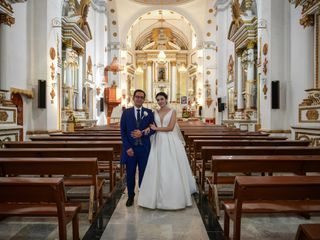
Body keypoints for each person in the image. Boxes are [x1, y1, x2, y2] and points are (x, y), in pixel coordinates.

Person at [138, 92, 197, 210]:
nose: (160, 101)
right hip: (157, 141)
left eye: (162, 99)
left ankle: (173, 197)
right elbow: (150, 126)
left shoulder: (173, 111)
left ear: (166, 99)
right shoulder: (154, 112)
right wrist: (145, 130)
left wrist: (156, 128)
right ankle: (153, 197)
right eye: (158, 100)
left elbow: (170, 128)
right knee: (156, 166)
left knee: (170, 166)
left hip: (170, 141)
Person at [120, 89, 154, 207]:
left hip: (144, 148)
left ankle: (143, 196)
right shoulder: (126, 112)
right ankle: (130, 196)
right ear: (133, 98)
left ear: (144, 99)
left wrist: (143, 133)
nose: (139, 99)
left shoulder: (149, 112)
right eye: (137, 97)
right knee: (130, 174)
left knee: (144, 173)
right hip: (130, 149)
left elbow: (153, 129)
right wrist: (127, 147)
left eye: (141, 97)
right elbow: (123, 132)